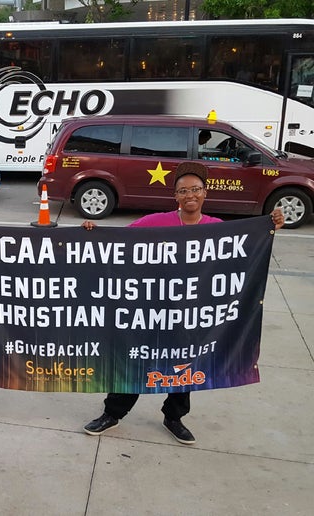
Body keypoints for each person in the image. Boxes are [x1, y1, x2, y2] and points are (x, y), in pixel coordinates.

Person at [82, 161, 285, 445]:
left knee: (185, 366)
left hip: (190, 316)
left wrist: (270, 224)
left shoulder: (217, 229)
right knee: (136, 360)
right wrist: (93, 230)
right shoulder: (156, 222)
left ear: (205, 193)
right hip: (150, 312)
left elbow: (246, 250)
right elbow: (119, 240)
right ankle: (112, 413)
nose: (190, 195)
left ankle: (174, 417)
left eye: (196, 189)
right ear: (175, 196)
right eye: (183, 191)